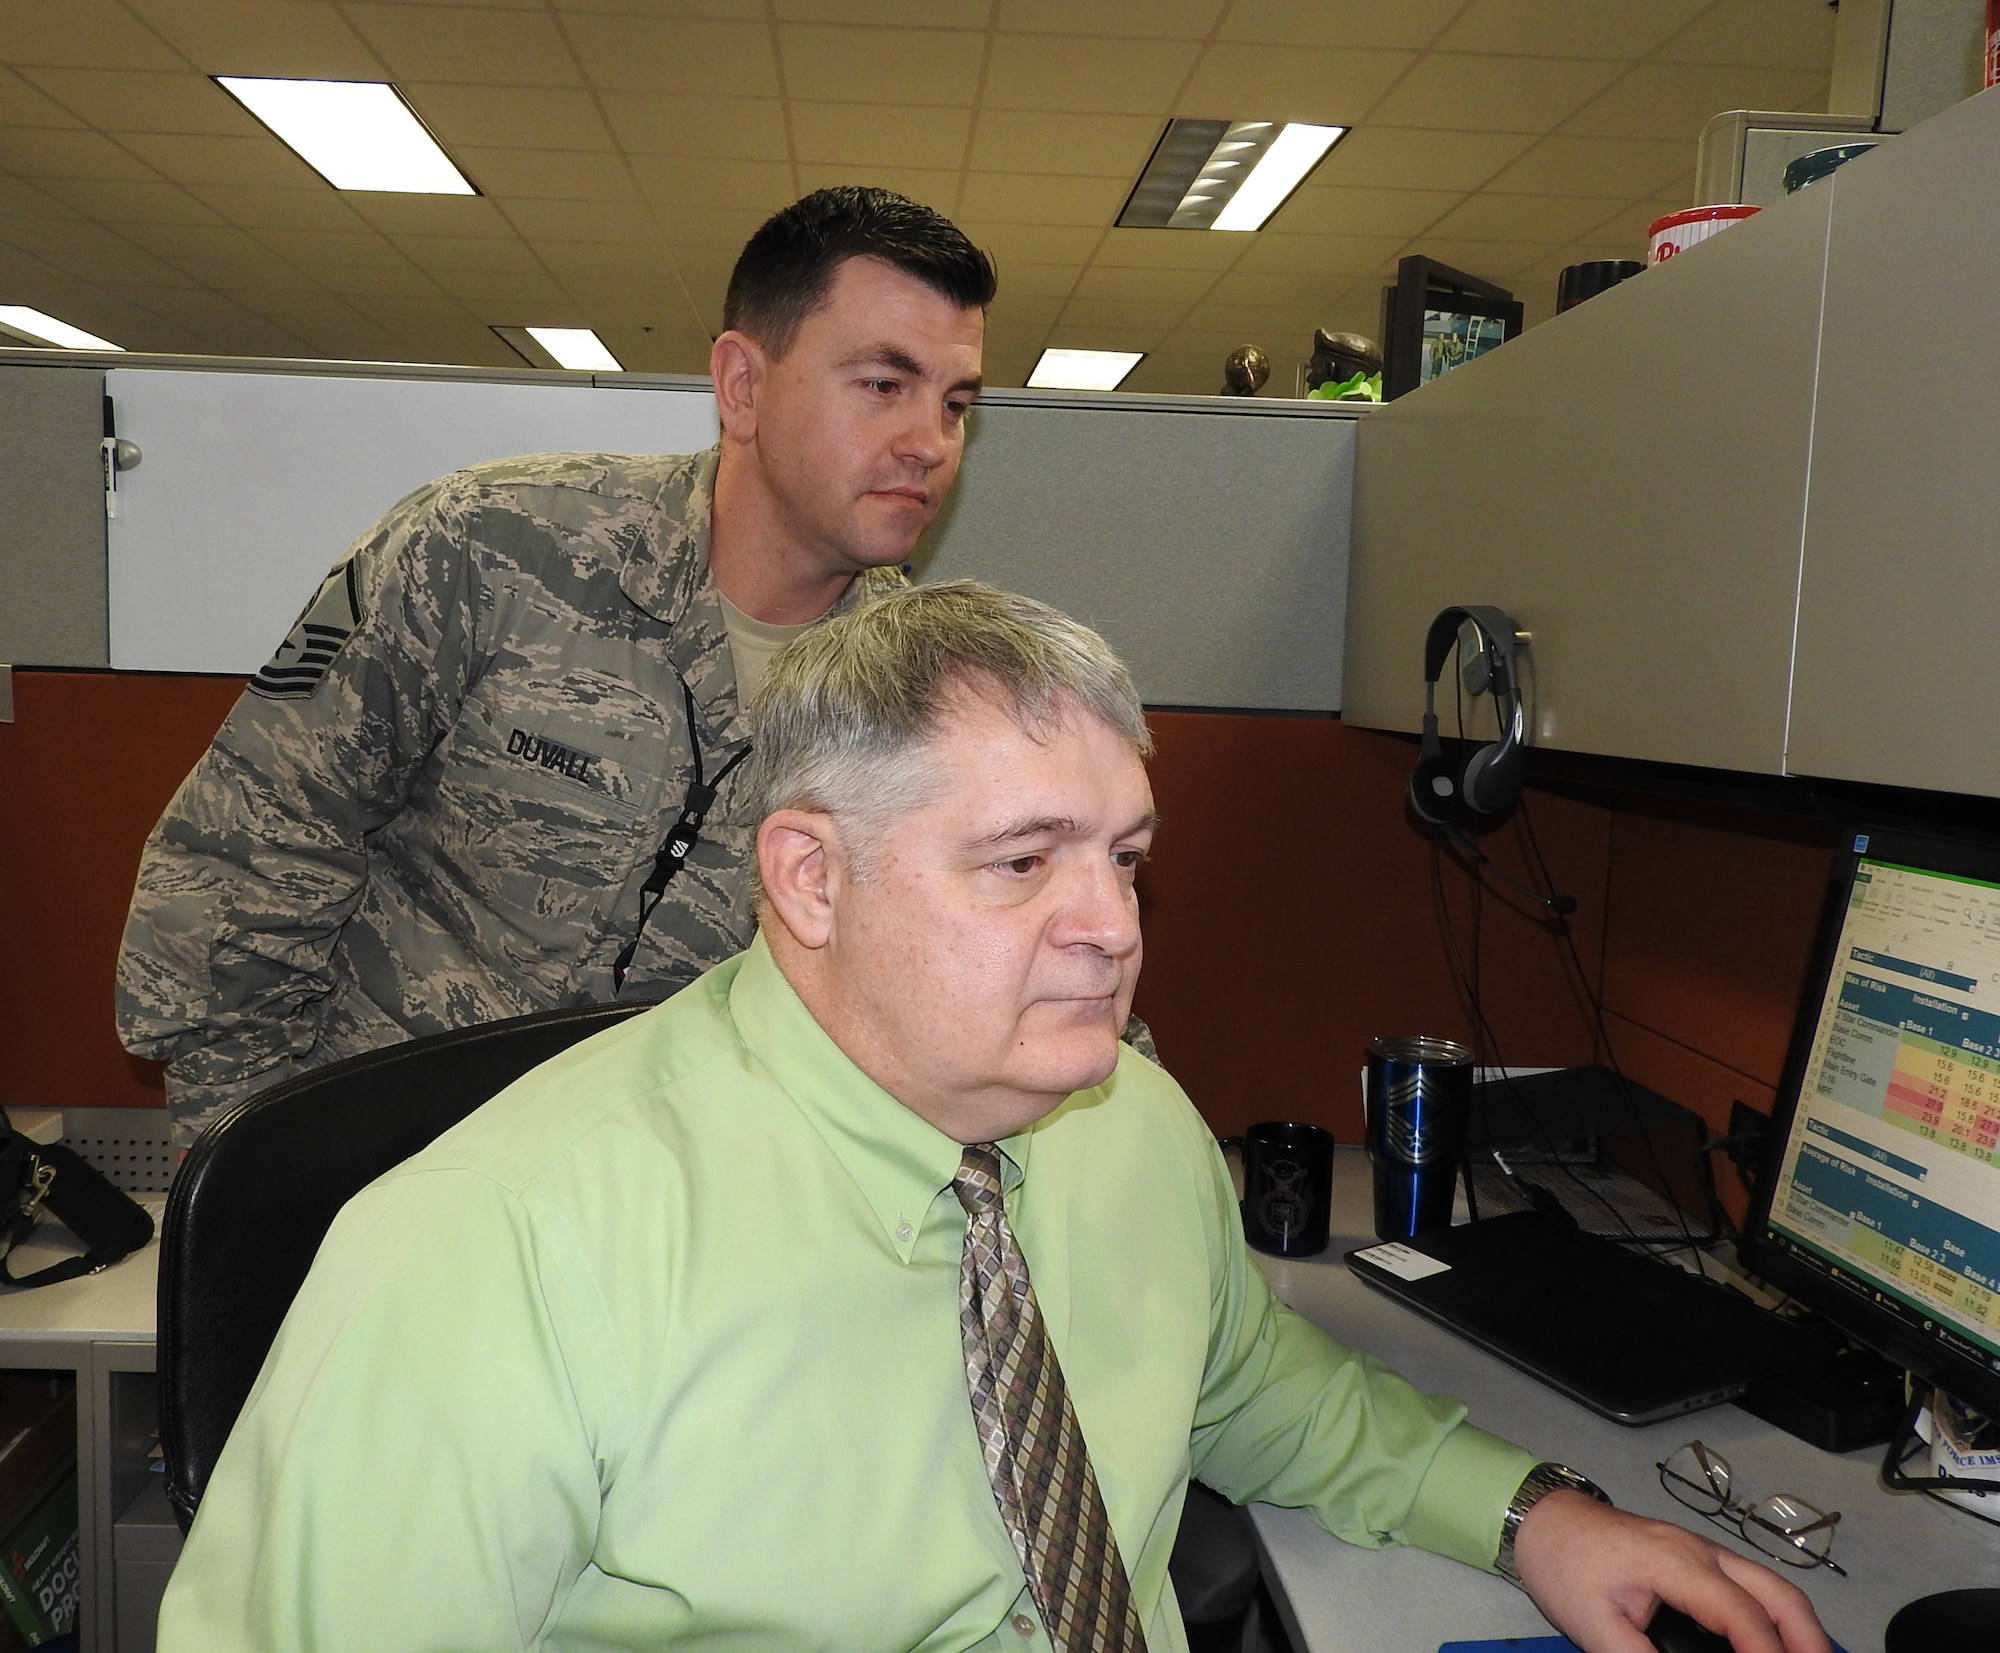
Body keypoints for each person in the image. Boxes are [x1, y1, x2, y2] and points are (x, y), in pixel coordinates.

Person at [158, 583, 1831, 1653]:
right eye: (1025, 861)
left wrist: (1542, 1514)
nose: (1111, 922)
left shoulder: (1127, 1129)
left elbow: (1251, 1388)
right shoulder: (496, 1255)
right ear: (812, 879)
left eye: (1125, 854)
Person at [115, 187, 995, 1148]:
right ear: (742, 385)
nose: (929, 443)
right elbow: (261, 835)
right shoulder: (496, 546)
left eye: (955, 404)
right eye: (883, 385)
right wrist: (249, 1153)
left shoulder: (915, 695)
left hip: (652, 1208)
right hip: (383, 1153)